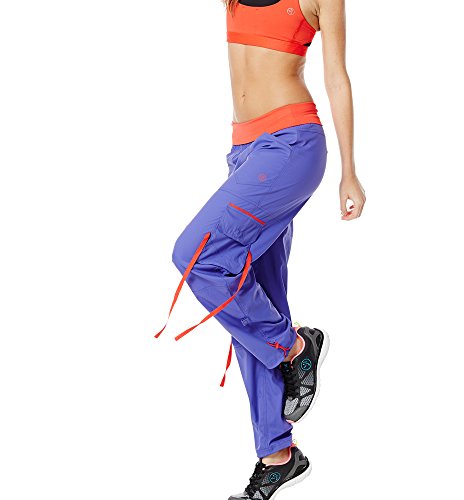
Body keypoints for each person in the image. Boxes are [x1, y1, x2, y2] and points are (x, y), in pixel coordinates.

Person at [155, 0, 366, 498]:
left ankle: (294, 347)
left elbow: (337, 78)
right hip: (244, 150)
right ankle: (278, 454)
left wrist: (349, 172)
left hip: (292, 147)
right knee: (252, 297)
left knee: (197, 254)